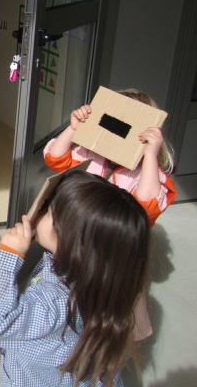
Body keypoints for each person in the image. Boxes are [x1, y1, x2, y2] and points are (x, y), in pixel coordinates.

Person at [0, 169, 150, 387]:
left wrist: (7, 256)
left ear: (69, 237)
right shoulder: (108, 276)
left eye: (49, 211)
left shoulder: (54, 303)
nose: (40, 211)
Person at [43, 88, 176, 340]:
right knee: (69, 305)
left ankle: (101, 346)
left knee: (106, 315)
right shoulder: (90, 153)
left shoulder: (147, 172)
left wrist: (150, 156)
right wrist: (73, 129)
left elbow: (147, 208)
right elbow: (55, 159)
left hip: (112, 257)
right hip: (77, 244)